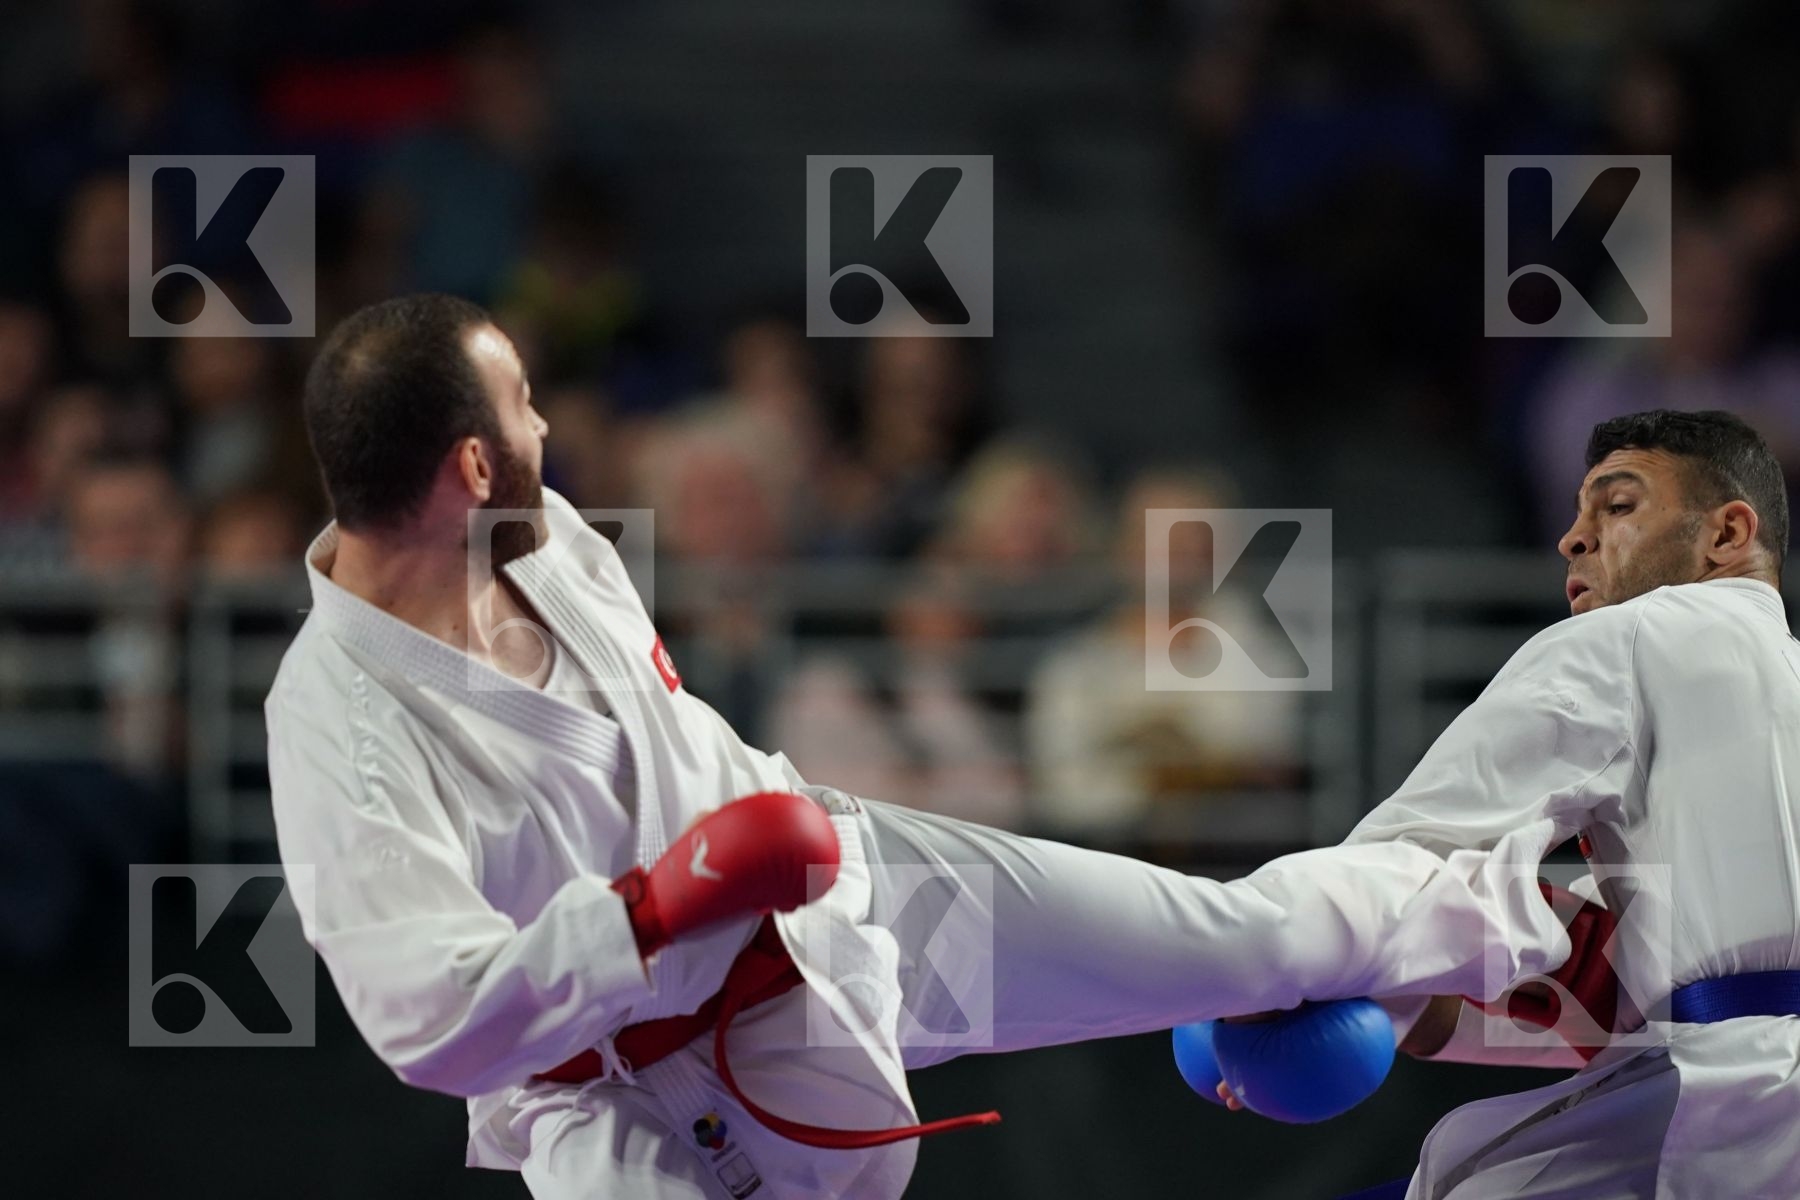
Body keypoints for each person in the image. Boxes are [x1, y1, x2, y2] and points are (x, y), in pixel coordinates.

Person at [262, 295, 1679, 1199]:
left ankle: (1541, 937)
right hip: (641, 1091)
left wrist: (729, 854)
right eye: (524, 410)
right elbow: (428, 1021)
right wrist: (654, 908)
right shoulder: (338, 725)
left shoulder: (546, 538)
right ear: (467, 468)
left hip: (842, 891)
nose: (550, 427)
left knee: (1236, 935)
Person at [1235, 409, 1800, 1198]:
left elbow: (1408, 858)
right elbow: (1609, 985)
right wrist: (1405, 1001)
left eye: (1618, 506)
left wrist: (1270, 964)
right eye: (1575, 514)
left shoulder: (1636, 635)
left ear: (1727, 534)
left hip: (1747, 1102)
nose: (1573, 538)